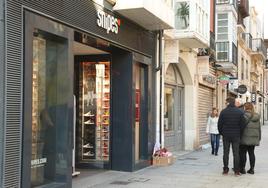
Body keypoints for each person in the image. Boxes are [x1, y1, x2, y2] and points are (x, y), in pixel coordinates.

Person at [218, 97, 246, 176]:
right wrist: (240, 133)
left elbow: (219, 124)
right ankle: (236, 171)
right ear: (234, 103)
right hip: (236, 135)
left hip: (226, 135)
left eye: (226, 102)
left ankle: (225, 170)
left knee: (225, 153)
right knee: (236, 153)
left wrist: (222, 133)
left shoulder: (223, 112)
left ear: (228, 103)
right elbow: (242, 125)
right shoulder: (239, 112)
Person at [239, 102, 261, 175]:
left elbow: (241, 127)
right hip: (253, 138)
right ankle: (252, 169)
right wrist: (259, 138)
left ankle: (242, 169)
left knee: (243, 153)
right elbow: (259, 128)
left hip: (244, 137)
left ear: (245, 108)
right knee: (251, 153)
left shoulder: (243, 115)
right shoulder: (257, 116)